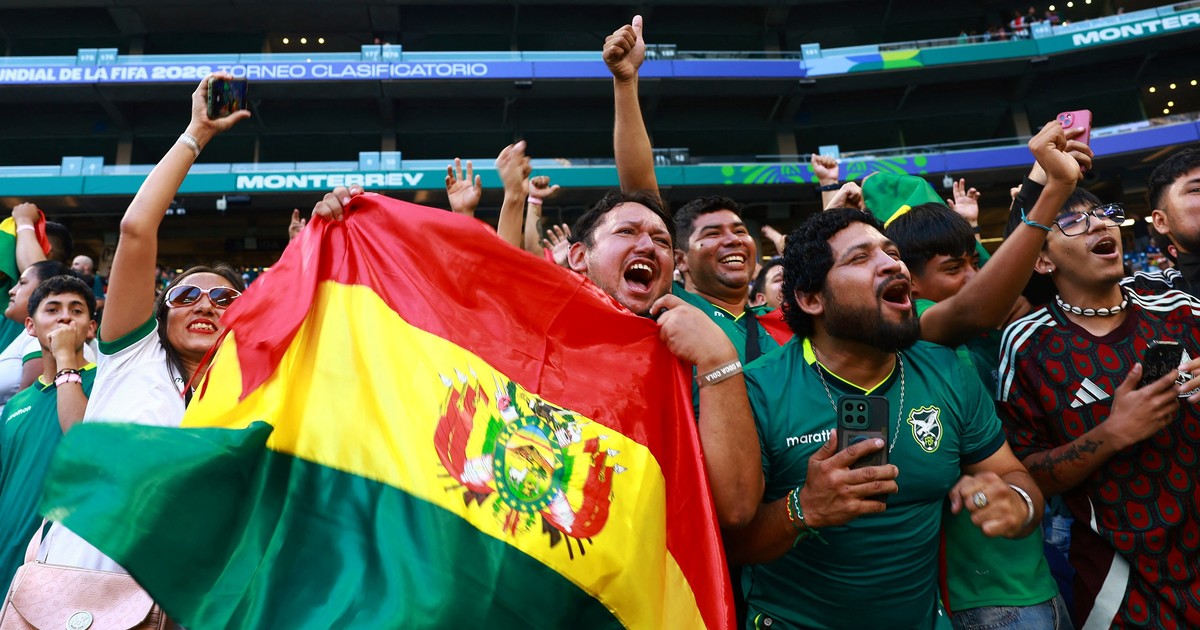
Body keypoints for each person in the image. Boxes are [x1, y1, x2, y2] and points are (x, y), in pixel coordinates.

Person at [726, 207, 1044, 629]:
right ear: (811, 299)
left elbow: (1014, 476)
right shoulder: (758, 390)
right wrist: (803, 508)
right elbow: (729, 545)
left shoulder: (946, 369)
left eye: (892, 253)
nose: (893, 265)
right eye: (861, 258)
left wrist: (1017, 503)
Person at [38, 73, 250, 573]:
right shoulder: (134, 357)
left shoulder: (253, 394)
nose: (205, 305)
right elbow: (136, 229)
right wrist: (196, 135)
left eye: (224, 298)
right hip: (85, 588)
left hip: (193, 595)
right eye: (186, 295)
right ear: (160, 315)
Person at [997, 192, 1200, 627]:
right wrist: (1112, 433)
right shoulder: (1028, 344)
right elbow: (1026, 472)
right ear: (1042, 260)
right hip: (1124, 586)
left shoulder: (1177, 304)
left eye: (1103, 213)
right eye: (1072, 222)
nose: (1100, 224)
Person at [886, 203, 1069, 629]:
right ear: (908, 282)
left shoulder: (985, 340)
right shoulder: (917, 329)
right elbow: (976, 307)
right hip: (984, 595)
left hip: (1032, 571)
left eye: (976, 263)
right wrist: (1050, 190)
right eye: (954, 269)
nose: (973, 276)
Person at [0, 275, 97, 589]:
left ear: (91, 328)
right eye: (52, 309)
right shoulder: (16, 405)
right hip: (6, 555)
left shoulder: (106, 385)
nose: (65, 317)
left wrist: (65, 358)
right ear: (30, 326)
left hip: (64, 565)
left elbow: (85, 442)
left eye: (76, 310)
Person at [0, 260, 77, 415]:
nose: (12, 291)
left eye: (22, 283)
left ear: (44, 291)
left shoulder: (43, 337)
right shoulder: (29, 335)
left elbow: (22, 412)